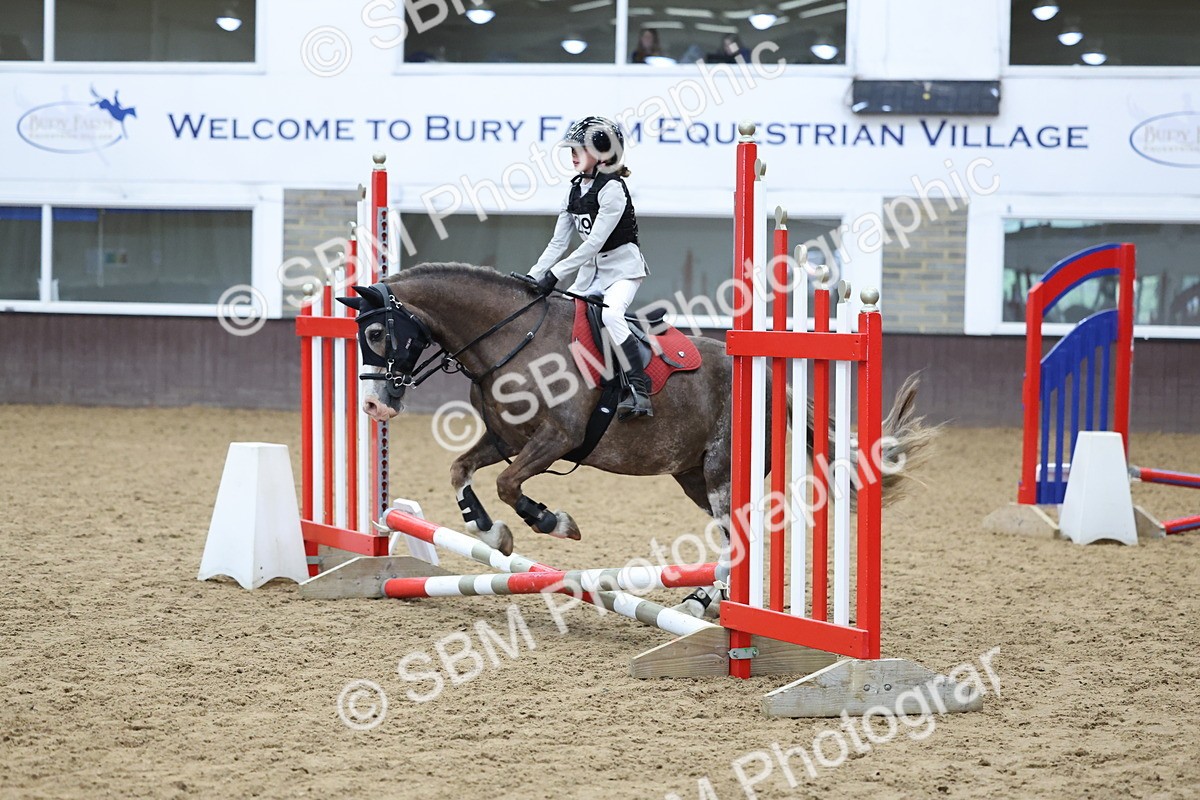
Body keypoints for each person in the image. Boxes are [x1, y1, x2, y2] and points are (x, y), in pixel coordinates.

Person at [527, 116, 652, 420]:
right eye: (571, 149)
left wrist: (556, 274)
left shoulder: (613, 189)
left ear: (603, 153)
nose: (572, 155)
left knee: (611, 314)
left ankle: (639, 388)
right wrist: (534, 275)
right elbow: (557, 244)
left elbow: (594, 242)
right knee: (559, 315)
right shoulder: (574, 191)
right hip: (590, 274)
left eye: (579, 149)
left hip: (623, 271)